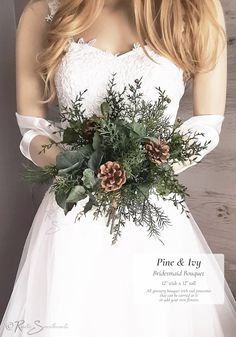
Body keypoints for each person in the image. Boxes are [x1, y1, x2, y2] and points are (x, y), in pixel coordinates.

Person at [1, 0, 236, 336]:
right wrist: (85, 171)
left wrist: (139, 172)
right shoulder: (45, 11)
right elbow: (32, 128)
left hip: (154, 215)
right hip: (72, 216)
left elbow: (206, 125)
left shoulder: (196, 7)